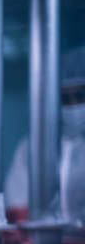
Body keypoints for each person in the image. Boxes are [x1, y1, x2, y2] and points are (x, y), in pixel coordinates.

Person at [5, 45, 85, 228]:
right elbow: (17, 203)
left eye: (81, 96)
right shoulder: (35, 145)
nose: (73, 106)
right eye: (64, 99)